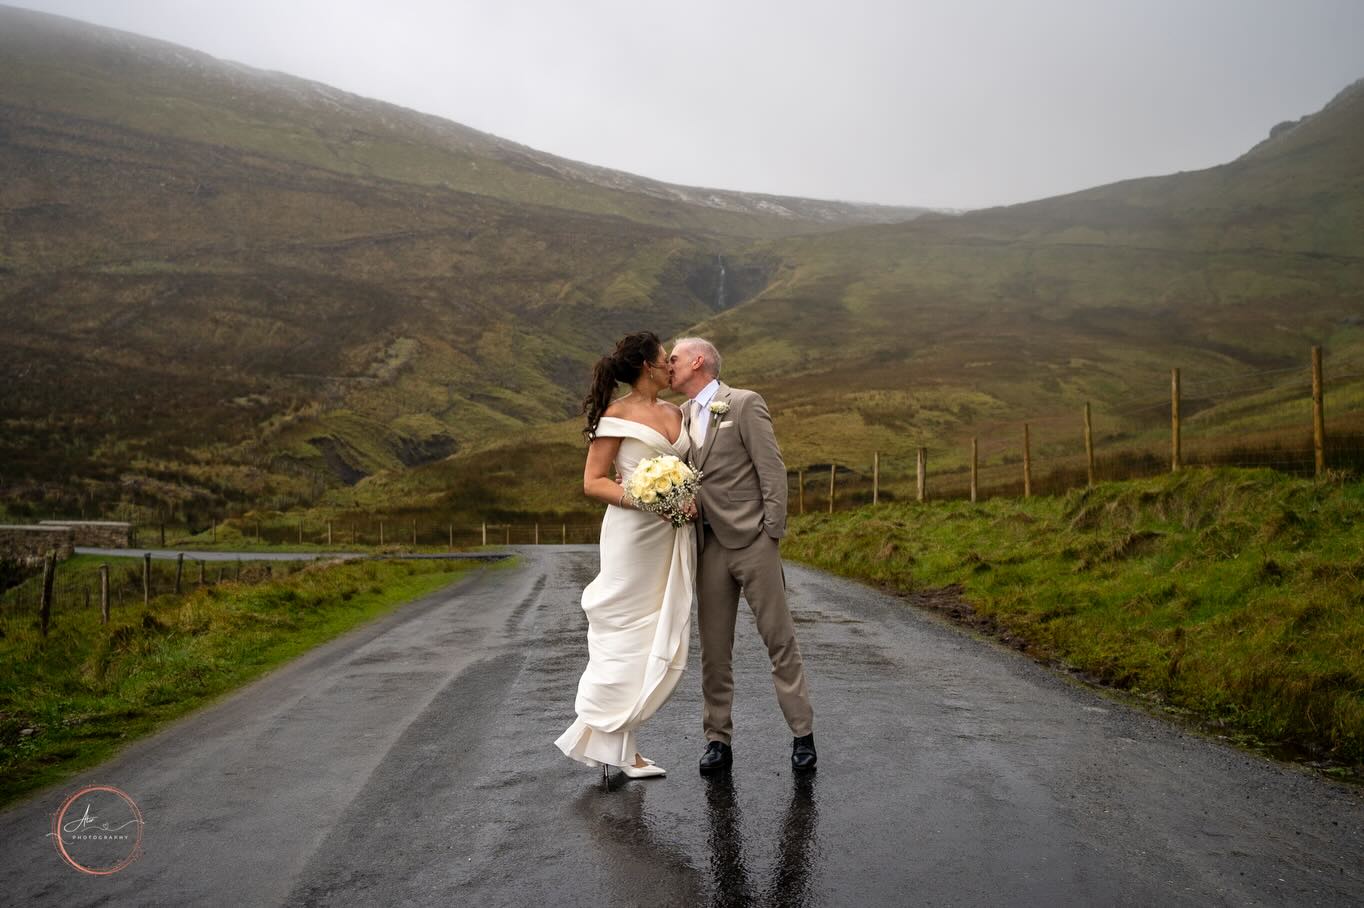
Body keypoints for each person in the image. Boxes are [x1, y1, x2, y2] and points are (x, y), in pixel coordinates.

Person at [668, 337, 816, 774]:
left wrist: (771, 533)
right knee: (714, 650)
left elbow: (772, 470)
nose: (667, 366)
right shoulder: (677, 417)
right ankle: (717, 740)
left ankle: (802, 735)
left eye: (673, 359)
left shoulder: (744, 403)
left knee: (779, 640)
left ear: (699, 361)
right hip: (707, 547)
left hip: (753, 543)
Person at [554, 331, 694, 779]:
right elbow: (594, 481)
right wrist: (646, 499)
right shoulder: (617, 415)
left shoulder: (676, 412)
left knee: (657, 630)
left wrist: (684, 497)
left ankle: (623, 745)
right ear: (648, 368)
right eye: (664, 360)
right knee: (625, 628)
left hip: (672, 536)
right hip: (633, 534)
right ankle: (617, 744)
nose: (671, 367)